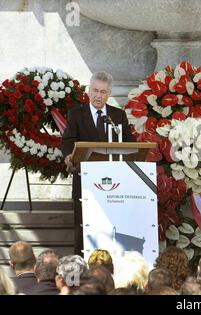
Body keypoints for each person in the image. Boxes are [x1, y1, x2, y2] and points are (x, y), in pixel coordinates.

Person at [61, 71, 135, 255]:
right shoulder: (77, 114)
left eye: (103, 92)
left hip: (113, 180)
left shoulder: (118, 115)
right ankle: (81, 262)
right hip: (85, 177)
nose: (98, 95)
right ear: (88, 91)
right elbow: (68, 140)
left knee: (110, 223)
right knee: (83, 222)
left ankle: (111, 261)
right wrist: (69, 156)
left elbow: (129, 142)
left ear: (109, 94)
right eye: (95, 90)